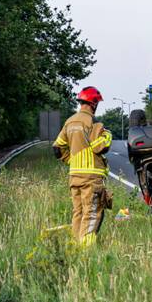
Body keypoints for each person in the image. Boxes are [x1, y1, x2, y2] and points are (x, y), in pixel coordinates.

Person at [52, 86, 113, 247]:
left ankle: (75, 247)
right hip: (91, 177)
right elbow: (99, 146)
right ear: (94, 104)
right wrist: (107, 135)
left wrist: (72, 161)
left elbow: (57, 148)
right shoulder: (93, 122)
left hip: (74, 177)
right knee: (92, 213)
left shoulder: (70, 121)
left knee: (78, 212)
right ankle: (86, 252)